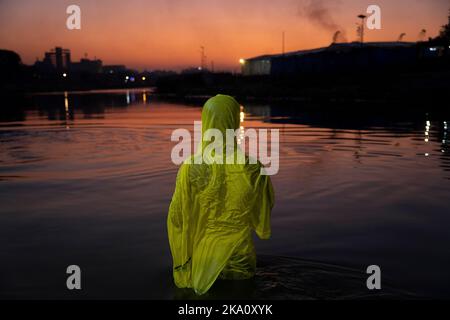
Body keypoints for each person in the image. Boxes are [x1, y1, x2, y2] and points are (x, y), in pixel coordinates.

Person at [167, 94, 274, 295]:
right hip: (241, 254)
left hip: (205, 256)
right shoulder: (252, 166)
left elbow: (177, 217)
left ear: (206, 122)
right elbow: (264, 207)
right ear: (235, 122)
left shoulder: (191, 167)